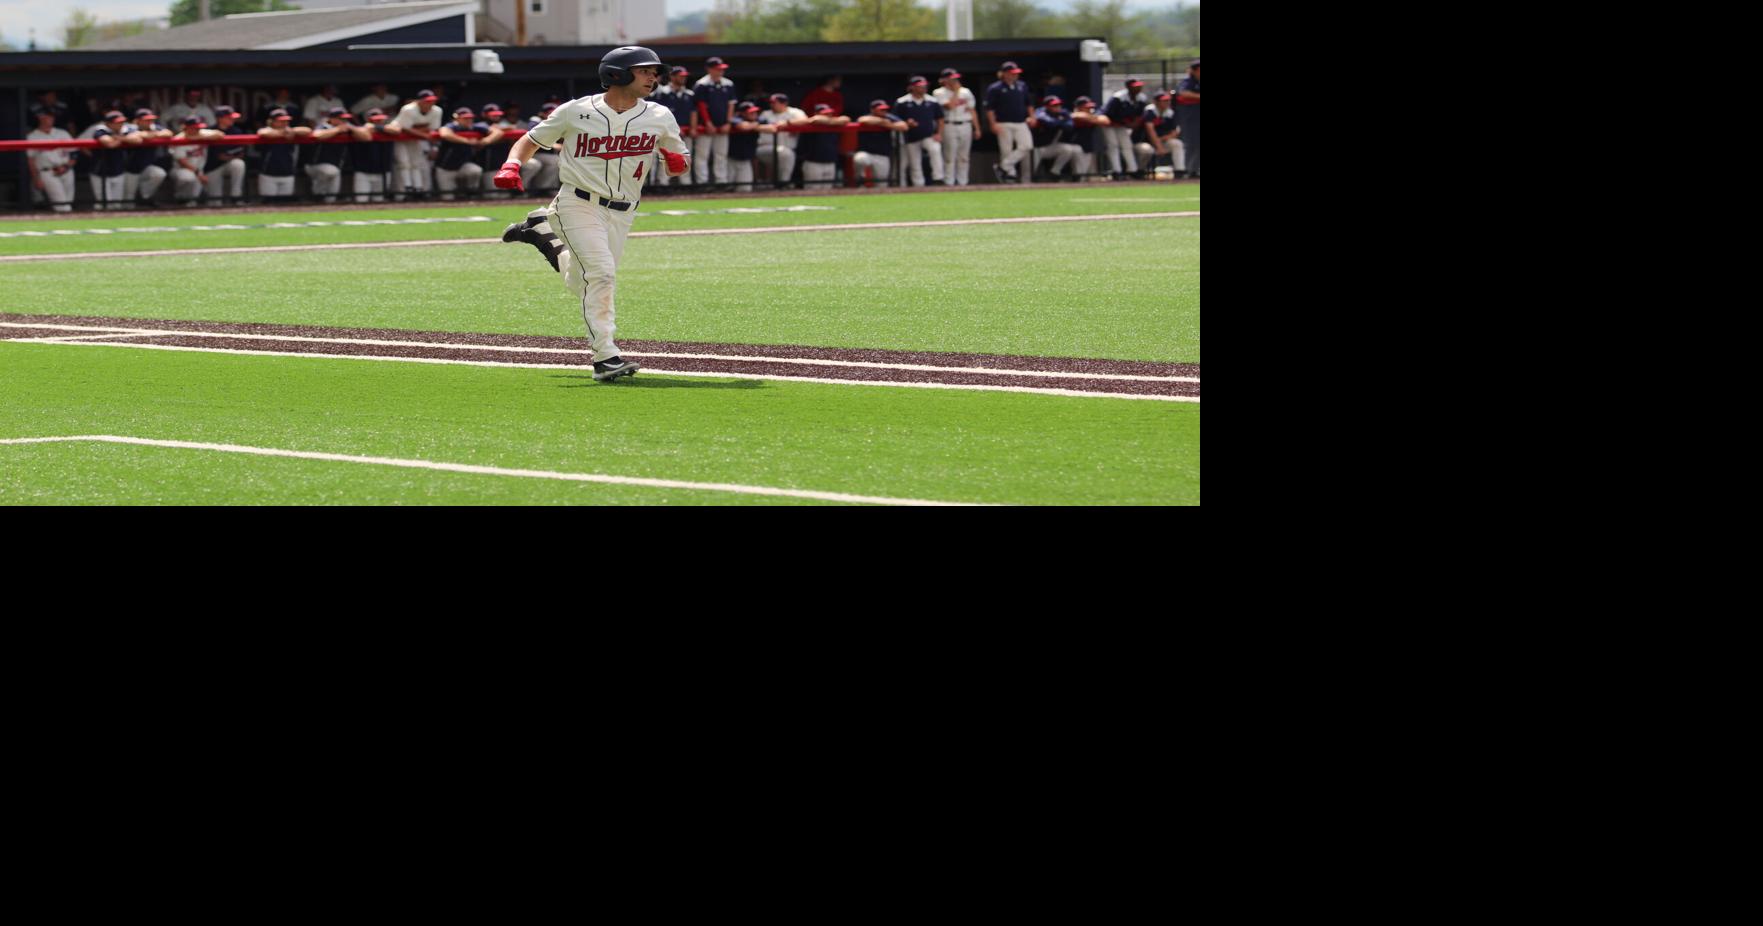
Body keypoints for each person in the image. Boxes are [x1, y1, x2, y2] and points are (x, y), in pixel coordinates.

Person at [493, 46, 691, 382]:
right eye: (645, 71)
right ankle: (606, 355)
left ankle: (540, 233)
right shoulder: (575, 111)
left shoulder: (659, 115)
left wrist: (677, 164)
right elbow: (530, 140)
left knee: (582, 281)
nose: (654, 77)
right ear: (616, 74)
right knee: (601, 274)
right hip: (577, 203)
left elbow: (679, 162)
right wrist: (512, 164)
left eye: (655, 72)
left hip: (624, 211)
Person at [985, 60, 1036, 183]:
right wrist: (993, 123)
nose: (1015, 75)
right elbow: (989, 108)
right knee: (1006, 149)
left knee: (1027, 145)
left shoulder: (1022, 85)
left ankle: (1003, 167)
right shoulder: (995, 88)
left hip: (1020, 122)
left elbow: (1029, 103)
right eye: (1012, 73)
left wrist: (1032, 116)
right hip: (1003, 123)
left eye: (1016, 73)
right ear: (1004, 73)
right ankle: (1010, 175)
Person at [388, 89, 443, 199]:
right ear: (419, 101)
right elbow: (405, 128)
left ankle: (418, 189)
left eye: (432, 101)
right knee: (403, 163)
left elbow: (432, 128)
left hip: (416, 138)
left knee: (417, 163)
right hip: (399, 137)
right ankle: (405, 190)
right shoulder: (408, 109)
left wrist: (418, 130)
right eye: (427, 101)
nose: (430, 104)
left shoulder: (437, 110)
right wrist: (424, 134)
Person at [435, 106, 499, 200]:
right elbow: (444, 133)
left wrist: (485, 141)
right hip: (445, 169)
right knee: (447, 198)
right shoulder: (452, 126)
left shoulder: (475, 127)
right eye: (465, 118)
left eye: (470, 118)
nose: (469, 120)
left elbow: (497, 132)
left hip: (462, 166)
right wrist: (467, 141)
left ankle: (471, 191)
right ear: (457, 118)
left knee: (475, 170)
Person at [692, 56, 737, 185]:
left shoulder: (728, 84)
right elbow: (700, 105)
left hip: (723, 125)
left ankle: (721, 181)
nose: (720, 71)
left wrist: (728, 122)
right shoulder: (702, 84)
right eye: (717, 69)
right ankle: (702, 182)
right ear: (709, 69)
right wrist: (708, 123)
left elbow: (731, 104)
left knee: (721, 154)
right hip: (705, 126)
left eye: (721, 69)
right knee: (703, 155)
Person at [894, 76, 944, 187]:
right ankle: (918, 186)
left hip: (929, 135)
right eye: (920, 86)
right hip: (910, 136)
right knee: (914, 163)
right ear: (912, 87)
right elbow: (896, 120)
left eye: (924, 86)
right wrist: (907, 123)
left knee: (935, 149)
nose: (923, 88)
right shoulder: (902, 102)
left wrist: (939, 133)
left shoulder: (932, 101)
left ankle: (938, 178)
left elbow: (940, 119)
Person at [651, 65, 697, 186]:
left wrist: (693, 128)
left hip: (685, 131)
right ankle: (662, 184)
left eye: (684, 77)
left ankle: (685, 184)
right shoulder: (662, 93)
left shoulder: (689, 94)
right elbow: (658, 113)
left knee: (685, 157)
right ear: (672, 76)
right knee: (664, 157)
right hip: (666, 131)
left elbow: (693, 112)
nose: (683, 79)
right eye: (680, 76)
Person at [932, 68, 979, 185]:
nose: (955, 80)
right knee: (949, 156)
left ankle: (963, 182)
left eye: (955, 78)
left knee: (964, 156)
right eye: (952, 78)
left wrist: (977, 128)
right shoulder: (939, 92)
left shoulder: (966, 92)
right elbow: (951, 106)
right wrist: (956, 92)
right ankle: (949, 183)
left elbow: (972, 110)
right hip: (949, 125)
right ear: (945, 80)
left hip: (965, 124)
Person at [120, 108, 173, 207]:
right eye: (146, 120)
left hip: (146, 167)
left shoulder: (153, 127)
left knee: (159, 173)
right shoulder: (129, 127)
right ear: (138, 120)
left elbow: (169, 133)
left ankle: (144, 196)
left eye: (151, 119)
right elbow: (133, 138)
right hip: (130, 169)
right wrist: (145, 135)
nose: (150, 122)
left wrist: (151, 134)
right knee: (128, 200)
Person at [26, 110, 75, 213]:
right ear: (40, 118)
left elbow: (74, 154)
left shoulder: (62, 133)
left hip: (66, 170)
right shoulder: (32, 137)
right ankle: (64, 225)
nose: (50, 119)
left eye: (52, 117)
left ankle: (65, 225)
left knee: (68, 203)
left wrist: (66, 167)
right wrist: (36, 179)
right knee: (61, 206)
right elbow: (31, 160)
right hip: (48, 172)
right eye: (47, 116)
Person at [166, 115, 221, 206]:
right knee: (188, 177)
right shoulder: (178, 139)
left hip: (199, 170)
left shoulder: (201, 134)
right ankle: (179, 197)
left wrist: (196, 138)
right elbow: (182, 162)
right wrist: (198, 174)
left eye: (198, 128)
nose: (197, 130)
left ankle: (190, 205)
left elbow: (219, 134)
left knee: (193, 201)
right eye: (194, 128)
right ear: (186, 128)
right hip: (181, 170)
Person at [81, 111, 130, 209]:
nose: (120, 124)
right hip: (100, 171)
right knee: (104, 204)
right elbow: (110, 144)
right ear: (108, 123)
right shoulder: (100, 129)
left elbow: (137, 139)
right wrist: (123, 138)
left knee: (117, 205)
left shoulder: (125, 129)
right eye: (117, 122)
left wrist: (118, 138)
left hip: (118, 170)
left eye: (121, 122)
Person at [1102, 78, 1149, 179]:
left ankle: (1133, 170)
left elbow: (1139, 114)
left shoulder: (1141, 98)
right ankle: (1116, 171)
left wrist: (1133, 123)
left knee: (1127, 145)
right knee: (1113, 145)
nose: (1139, 88)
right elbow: (1107, 114)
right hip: (1109, 123)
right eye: (1135, 86)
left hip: (1122, 124)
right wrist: (1127, 123)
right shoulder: (1118, 97)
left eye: (1139, 86)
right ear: (1129, 87)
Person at [305, 107, 356, 203]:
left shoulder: (347, 128)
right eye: (341, 118)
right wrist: (337, 129)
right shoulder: (323, 126)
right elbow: (317, 135)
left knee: (332, 196)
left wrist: (352, 128)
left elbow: (366, 136)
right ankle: (317, 195)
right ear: (332, 118)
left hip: (336, 166)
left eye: (345, 119)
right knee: (331, 171)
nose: (344, 121)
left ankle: (327, 205)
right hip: (315, 165)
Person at [853, 99, 907, 187]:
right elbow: (862, 120)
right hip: (867, 152)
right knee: (860, 159)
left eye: (885, 109)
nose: (884, 111)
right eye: (881, 109)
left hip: (882, 154)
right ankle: (859, 178)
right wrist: (881, 122)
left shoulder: (889, 117)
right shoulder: (868, 116)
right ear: (873, 110)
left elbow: (904, 126)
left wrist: (889, 125)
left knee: (882, 184)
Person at [255, 108, 307, 201]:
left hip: (288, 174)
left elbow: (307, 130)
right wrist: (283, 133)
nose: (284, 123)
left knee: (285, 205)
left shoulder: (291, 131)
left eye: (286, 121)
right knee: (268, 203)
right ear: (272, 121)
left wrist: (292, 131)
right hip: (268, 175)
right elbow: (262, 132)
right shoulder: (267, 130)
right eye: (281, 121)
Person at [755, 92, 805, 188]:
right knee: (786, 154)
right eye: (771, 102)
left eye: (775, 102)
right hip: (765, 147)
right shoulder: (766, 114)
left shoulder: (795, 112)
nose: (771, 105)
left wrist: (788, 123)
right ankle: (783, 184)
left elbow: (806, 120)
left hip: (787, 149)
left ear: (784, 103)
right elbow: (755, 123)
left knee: (786, 155)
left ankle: (779, 185)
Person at [350, 108, 397, 203]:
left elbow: (397, 130)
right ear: (368, 119)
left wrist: (377, 127)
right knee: (361, 200)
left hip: (383, 171)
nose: (379, 121)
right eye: (375, 120)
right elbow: (364, 135)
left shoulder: (388, 128)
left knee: (379, 200)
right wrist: (369, 128)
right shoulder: (360, 130)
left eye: (380, 119)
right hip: (363, 172)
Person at [204, 106, 248, 203]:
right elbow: (219, 156)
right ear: (220, 118)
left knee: (238, 164)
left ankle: (236, 196)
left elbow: (240, 154)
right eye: (229, 117)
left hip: (229, 164)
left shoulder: (236, 131)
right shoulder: (209, 131)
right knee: (215, 201)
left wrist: (228, 157)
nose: (232, 119)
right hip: (213, 167)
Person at [798, 103, 849, 187]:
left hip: (830, 162)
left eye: (829, 113)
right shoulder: (810, 123)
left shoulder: (835, 124)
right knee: (812, 192)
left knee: (827, 192)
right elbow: (815, 120)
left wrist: (829, 121)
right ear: (816, 114)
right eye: (825, 114)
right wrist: (828, 121)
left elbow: (846, 119)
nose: (828, 115)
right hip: (813, 163)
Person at [1030, 96, 1079, 180]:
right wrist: (1061, 121)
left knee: (1068, 149)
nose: (1058, 107)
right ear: (1046, 106)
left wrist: (1059, 122)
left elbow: (1070, 126)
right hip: (1035, 148)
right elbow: (1049, 123)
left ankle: (1054, 172)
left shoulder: (1063, 113)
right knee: (1029, 173)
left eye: (1059, 105)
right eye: (1054, 105)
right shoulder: (1040, 112)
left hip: (1050, 147)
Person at [1069, 96, 1110, 178]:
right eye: (1086, 107)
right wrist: (1093, 118)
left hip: (1087, 147)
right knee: (1079, 173)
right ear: (1079, 107)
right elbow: (1077, 116)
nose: (1089, 109)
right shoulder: (1074, 116)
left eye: (1090, 107)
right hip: (1075, 147)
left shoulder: (1091, 116)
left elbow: (1106, 121)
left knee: (1087, 173)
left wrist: (1092, 118)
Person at [1143, 92, 1182, 176]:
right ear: (1156, 102)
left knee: (1177, 143)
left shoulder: (1170, 112)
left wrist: (1161, 140)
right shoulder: (1150, 111)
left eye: (1168, 100)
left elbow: (1175, 132)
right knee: (1146, 150)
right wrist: (1158, 146)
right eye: (1163, 101)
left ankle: (1179, 170)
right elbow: (1150, 131)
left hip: (1163, 140)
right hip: (1148, 142)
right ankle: (1138, 172)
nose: (1167, 102)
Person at [524, 101, 561, 191]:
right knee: (538, 164)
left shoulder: (559, 120)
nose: (551, 114)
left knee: (556, 161)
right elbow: (533, 133)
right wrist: (553, 145)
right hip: (532, 152)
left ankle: (543, 189)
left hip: (545, 154)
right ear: (541, 113)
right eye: (549, 112)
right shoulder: (535, 119)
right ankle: (521, 189)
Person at [1176, 60, 1200, 178]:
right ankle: (1188, 170)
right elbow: (1183, 93)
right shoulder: (1188, 82)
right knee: (1192, 143)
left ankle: (1195, 170)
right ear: (1194, 70)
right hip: (1190, 119)